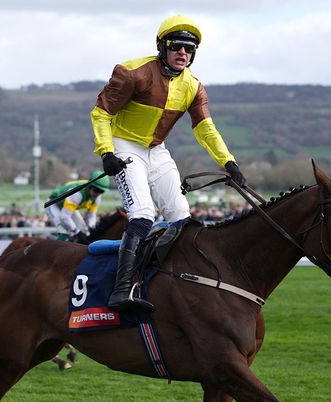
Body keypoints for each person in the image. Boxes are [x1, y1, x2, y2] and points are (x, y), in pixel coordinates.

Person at [90, 14, 246, 313]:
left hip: (156, 150)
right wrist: (106, 151)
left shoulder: (194, 86)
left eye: (189, 49)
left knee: (181, 218)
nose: (182, 53)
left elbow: (205, 129)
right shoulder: (131, 72)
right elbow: (100, 114)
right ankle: (122, 290)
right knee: (143, 214)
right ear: (162, 47)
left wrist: (229, 162)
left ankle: (175, 285)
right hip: (124, 144)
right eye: (176, 46)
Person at [46, 171, 111, 244]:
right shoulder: (78, 194)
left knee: (85, 231)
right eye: (96, 190)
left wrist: (91, 228)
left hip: (67, 208)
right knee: (64, 232)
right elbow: (64, 216)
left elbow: (91, 215)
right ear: (89, 186)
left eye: (101, 191)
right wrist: (77, 232)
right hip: (53, 204)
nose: (98, 194)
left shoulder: (97, 198)